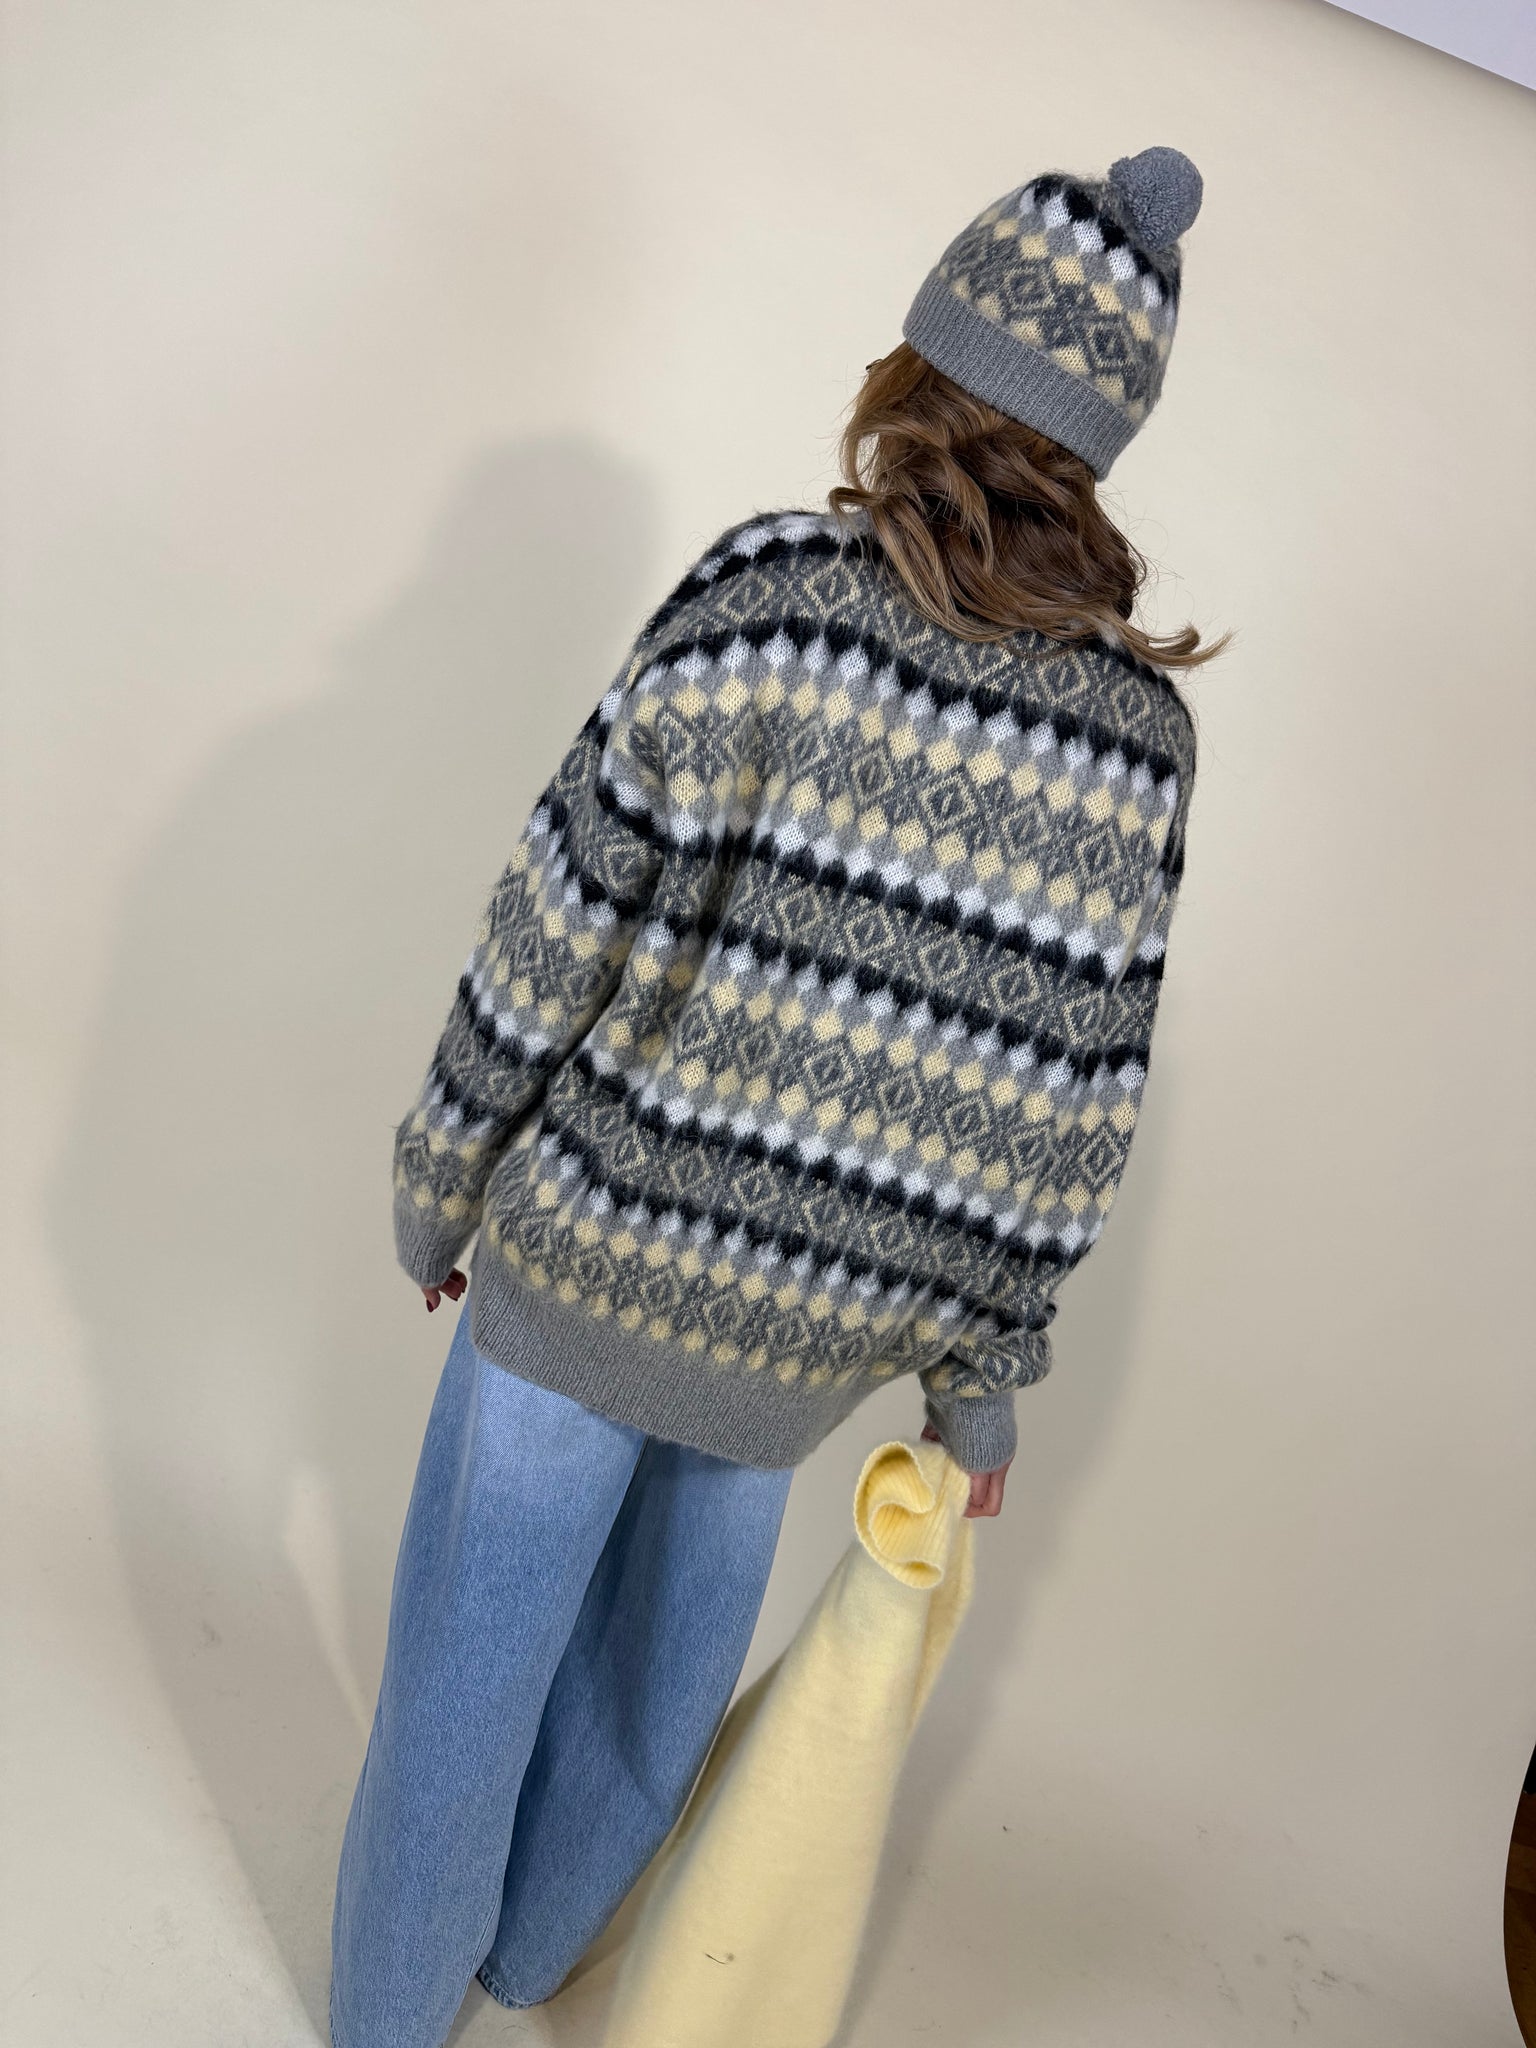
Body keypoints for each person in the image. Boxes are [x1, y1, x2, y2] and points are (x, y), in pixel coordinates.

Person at [329, 143, 1226, 2048]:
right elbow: (1077, 1113)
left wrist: (443, 1176)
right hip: (803, 1338)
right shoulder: (1139, 749)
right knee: (653, 1701)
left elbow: (559, 914)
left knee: (464, 1683)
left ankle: (392, 2017)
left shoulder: (765, 600)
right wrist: (978, 1380)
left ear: (924, 362)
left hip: (590, 1264)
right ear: (1101, 442)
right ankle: (530, 1966)